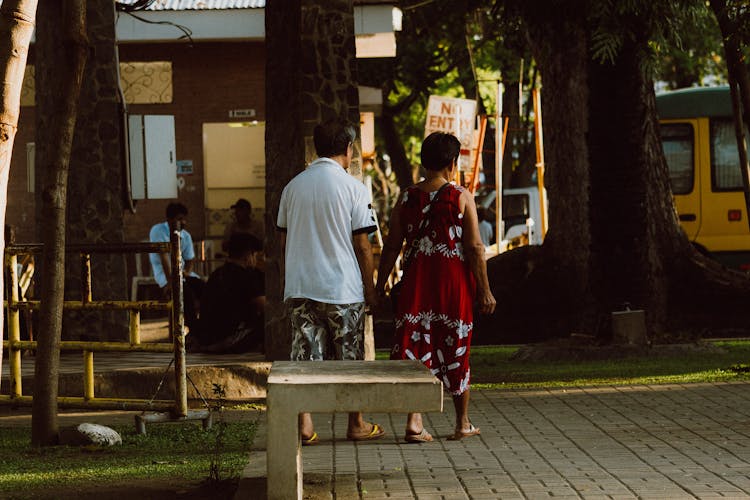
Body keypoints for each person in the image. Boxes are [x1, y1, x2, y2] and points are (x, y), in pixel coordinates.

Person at [376, 132, 496, 443]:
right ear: (452, 163)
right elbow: (474, 248)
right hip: (452, 284)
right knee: (455, 345)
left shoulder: (407, 198)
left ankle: (414, 421)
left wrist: (378, 285)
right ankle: (462, 422)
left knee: (416, 348)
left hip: (416, 284)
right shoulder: (460, 197)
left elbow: (391, 247)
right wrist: (484, 289)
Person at [277, 118, 383, 445]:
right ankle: (356, 423)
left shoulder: (292, 187)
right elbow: (363, 246)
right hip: (342, 289)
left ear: (316, 148)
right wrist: (371, 289)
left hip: (301, 286)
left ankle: (305, 425)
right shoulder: (353, 188)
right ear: (348, 149)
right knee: (349, 357)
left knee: (304, 357)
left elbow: (283, 242)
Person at [191, 233, 265, 353]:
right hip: (224, 342)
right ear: (248, 255)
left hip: (206, 340)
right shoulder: (246, 276)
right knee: (268, 322)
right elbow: (265, 306)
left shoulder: (217, 273)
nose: (256, 260)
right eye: (255, 255)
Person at [149, 202, 204, 333]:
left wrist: (186, 272)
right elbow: (164, 259)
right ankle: (194, 330)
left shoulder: (186, 235)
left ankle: (205, 325)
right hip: (165, 274)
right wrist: (171, 283)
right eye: (179, 219)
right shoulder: (158, 231)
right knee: (186, 295)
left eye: (184, 219)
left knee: (204, 288)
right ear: (169, 220)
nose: (183, 222)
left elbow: (190, 259)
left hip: (182, 274)